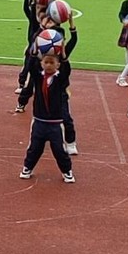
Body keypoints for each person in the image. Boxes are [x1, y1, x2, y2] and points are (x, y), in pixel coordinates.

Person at [17, 31, 77, 182]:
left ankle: (67, 171)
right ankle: (27, 167)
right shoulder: (38, 77)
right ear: (42, 64)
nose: (49, 65)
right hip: (39, 121)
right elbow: (31, 67)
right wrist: (35, 50)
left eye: (52, 63)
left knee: (59, 150)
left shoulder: (59, 79)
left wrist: (63, 55)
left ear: (58, 65)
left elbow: (67, 71)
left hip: (55, 123)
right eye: (46, 62)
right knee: (34, 148)